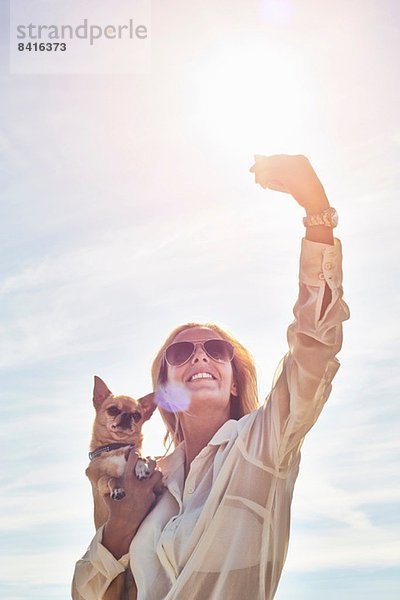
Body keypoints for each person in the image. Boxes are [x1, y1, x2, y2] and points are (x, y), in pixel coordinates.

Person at [72, 154, 350, 600]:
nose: (200, 355)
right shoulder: (150, 481)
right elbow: (86, 592)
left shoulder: (264, 447)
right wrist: (120, 528)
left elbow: (315, 349)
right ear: (164, 393)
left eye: (216, 350)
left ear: (234, 379)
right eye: (181, 352)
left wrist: (317, 215)